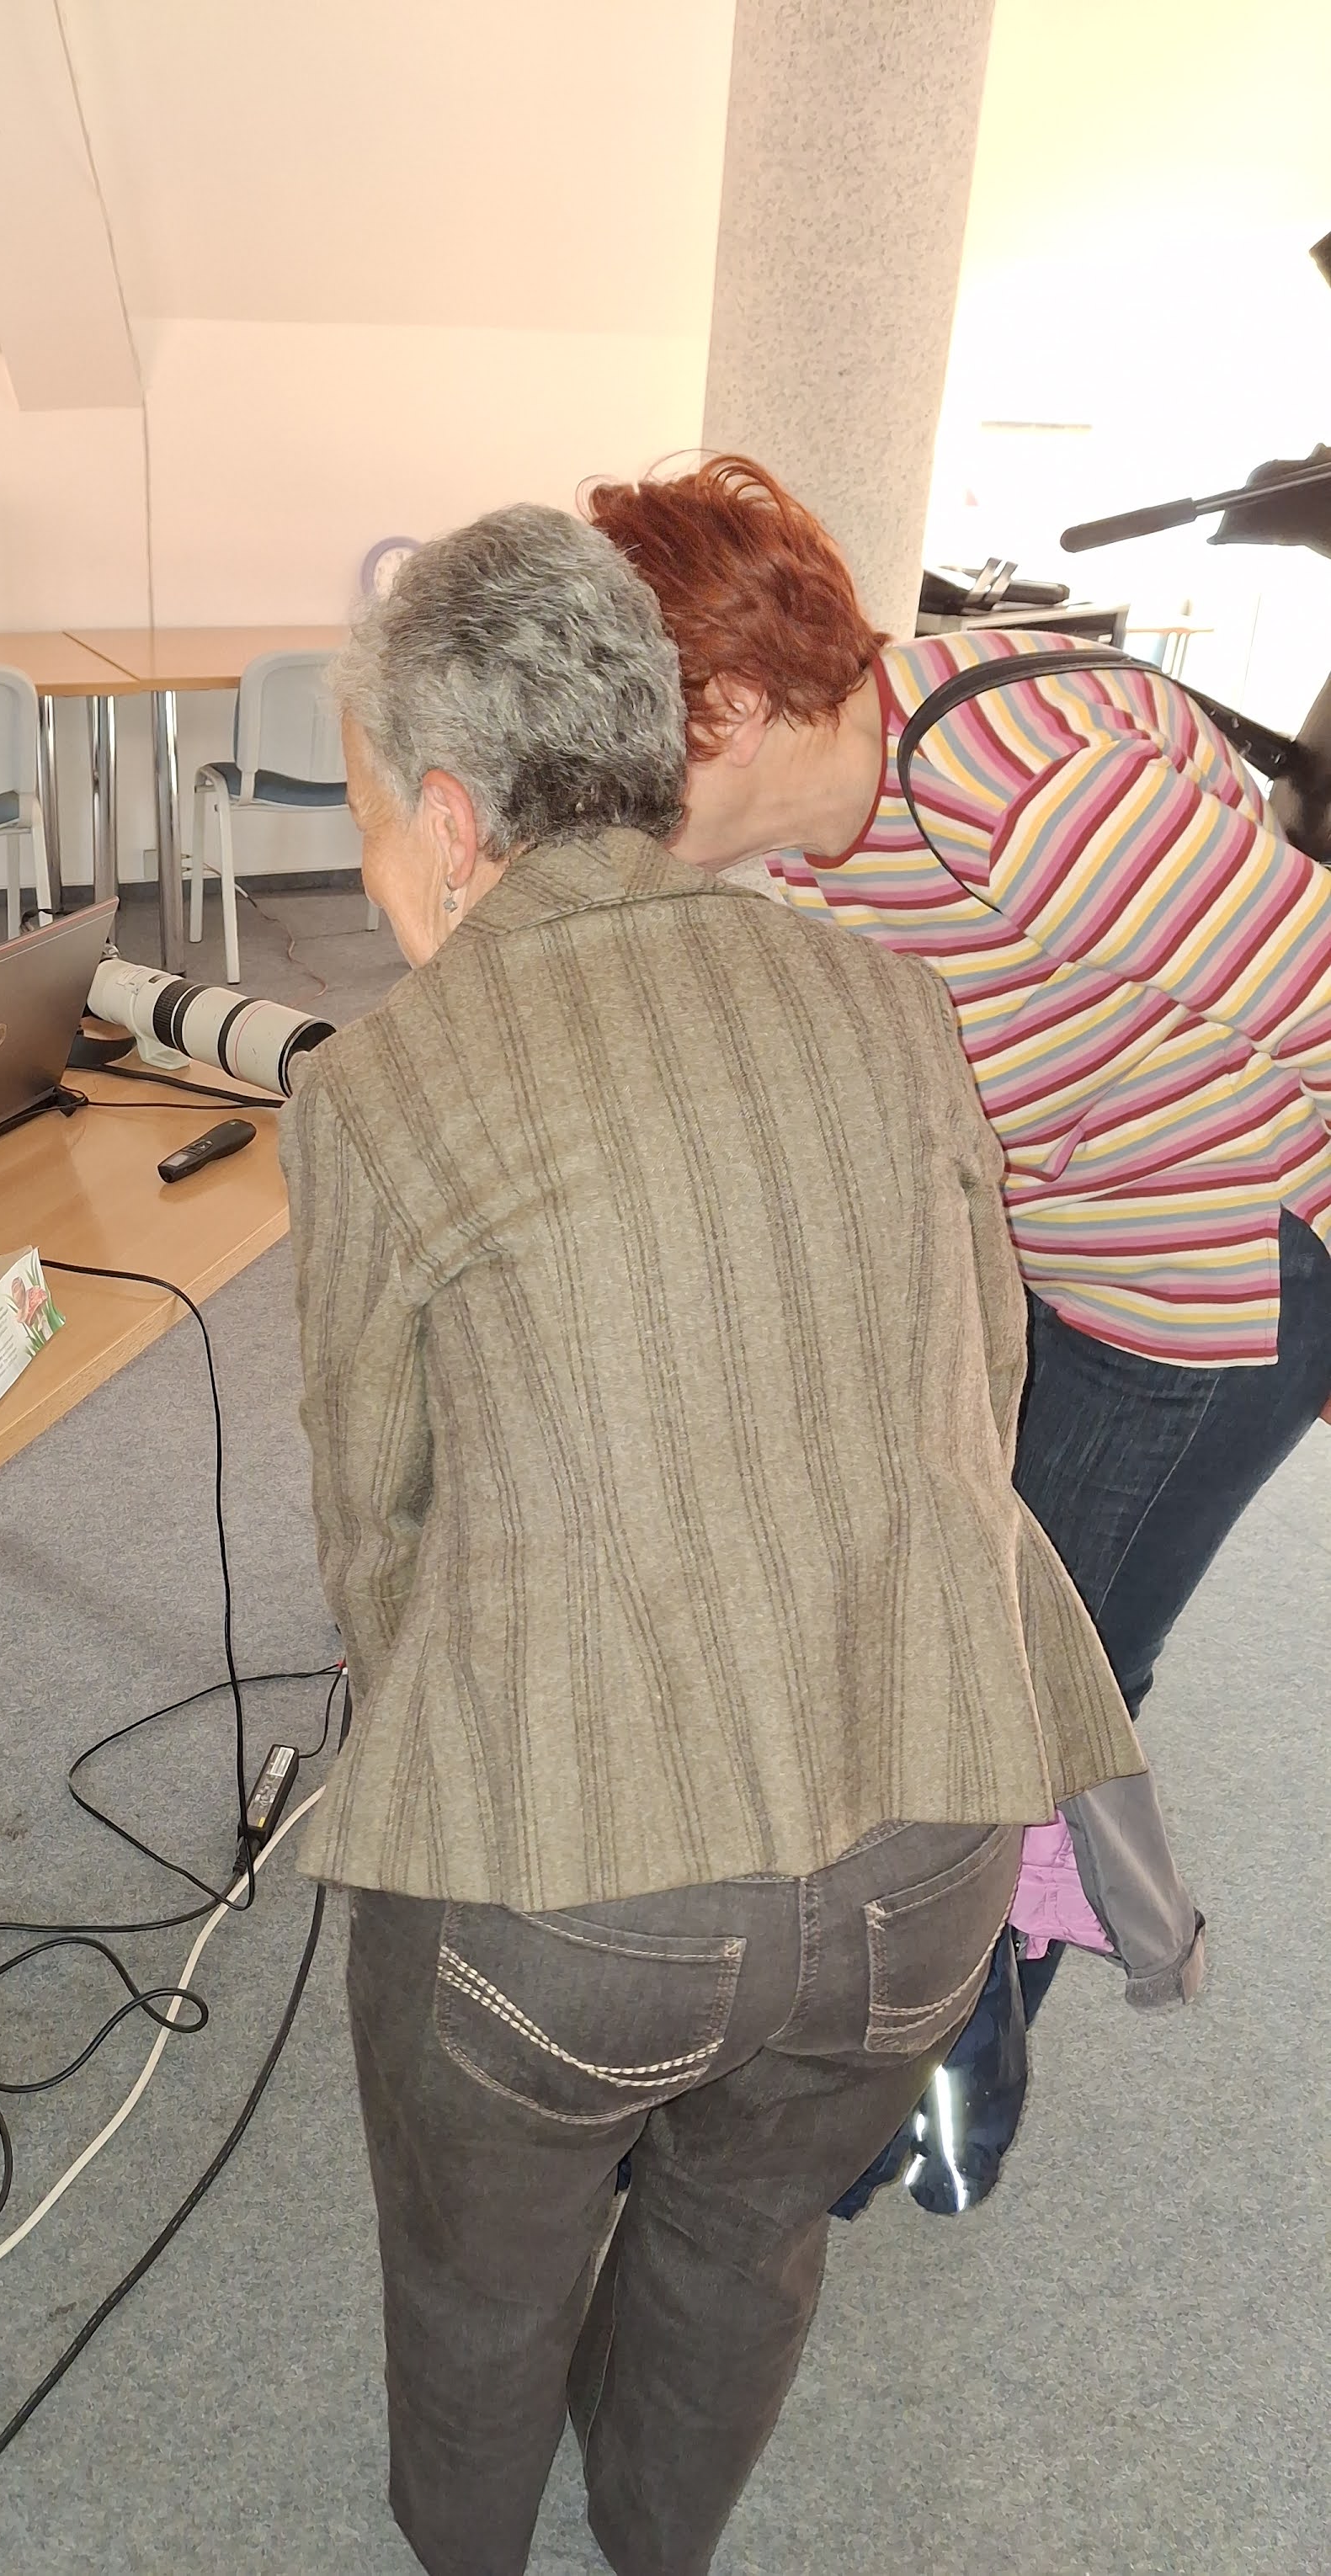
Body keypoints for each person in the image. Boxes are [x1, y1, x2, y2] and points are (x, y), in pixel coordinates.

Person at [278, 503, 1147, 2576]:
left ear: (450, 819)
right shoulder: (887, 1005)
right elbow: (983, 1397)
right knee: (744, 2238)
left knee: (480, 2292)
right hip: (924, 1862)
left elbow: (376, 1540)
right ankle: (654, 2544)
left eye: (372, 812)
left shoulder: (382, 1089)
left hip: (566, 1914)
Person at [586, 456, 1321, 2191]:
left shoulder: (1019, 796)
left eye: (623, 758)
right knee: (955, 1659)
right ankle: (903, 2070)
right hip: (1065, 1258)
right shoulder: (821, 824)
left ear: (732, 708)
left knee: (1019, 1706)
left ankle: (918, 2110)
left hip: (1204, 1290)